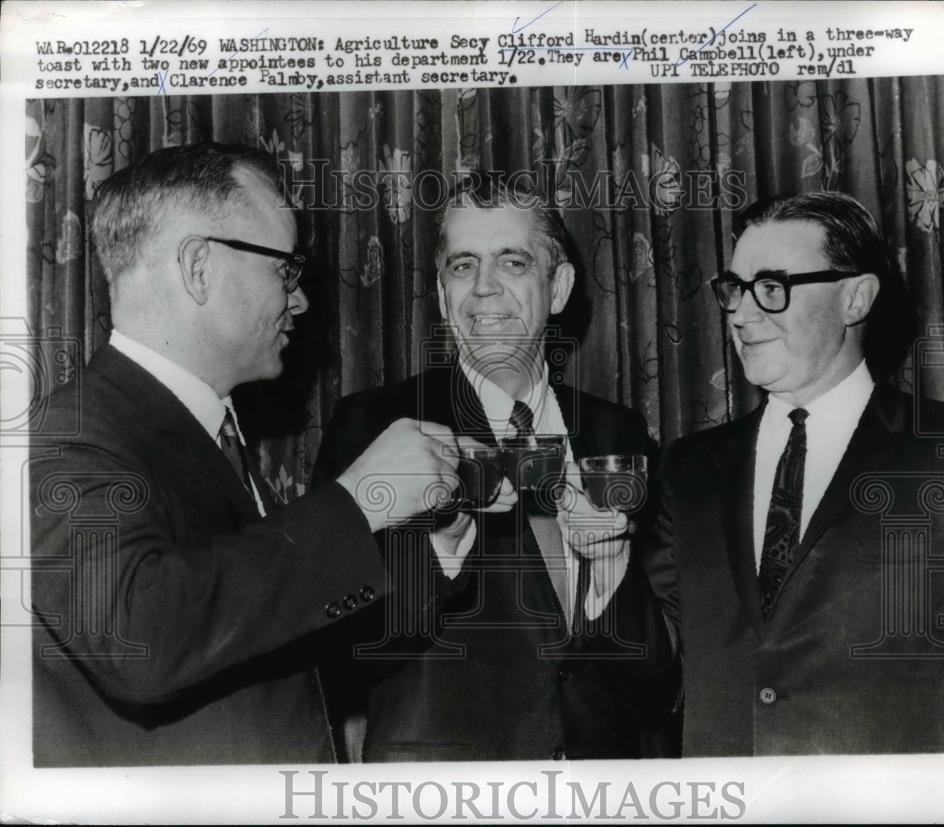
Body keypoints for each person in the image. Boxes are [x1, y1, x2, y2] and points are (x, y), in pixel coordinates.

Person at [30, 142, 465, 766]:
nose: (302, 300)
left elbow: (264, 643)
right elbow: (140, 640)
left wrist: (435, 557)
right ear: (199, 266)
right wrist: (359, 500)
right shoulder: (62, 437)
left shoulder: (206, 429)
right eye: (285, 270)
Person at [313, 175, 680, 761]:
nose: (483, 289)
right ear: (440, 294)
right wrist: (439, 549)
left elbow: (660, 679)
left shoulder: (618, 434)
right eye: (462, 266)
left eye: (511, 262)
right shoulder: (375, 424)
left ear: (557, 287)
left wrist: (610, 573)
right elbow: (331, 646)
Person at [645, 191, 944, 756]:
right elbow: (658, 655)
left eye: (771, 288)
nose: (740, 314)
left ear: (855, 299)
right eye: (735, 290)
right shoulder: (688, 467)